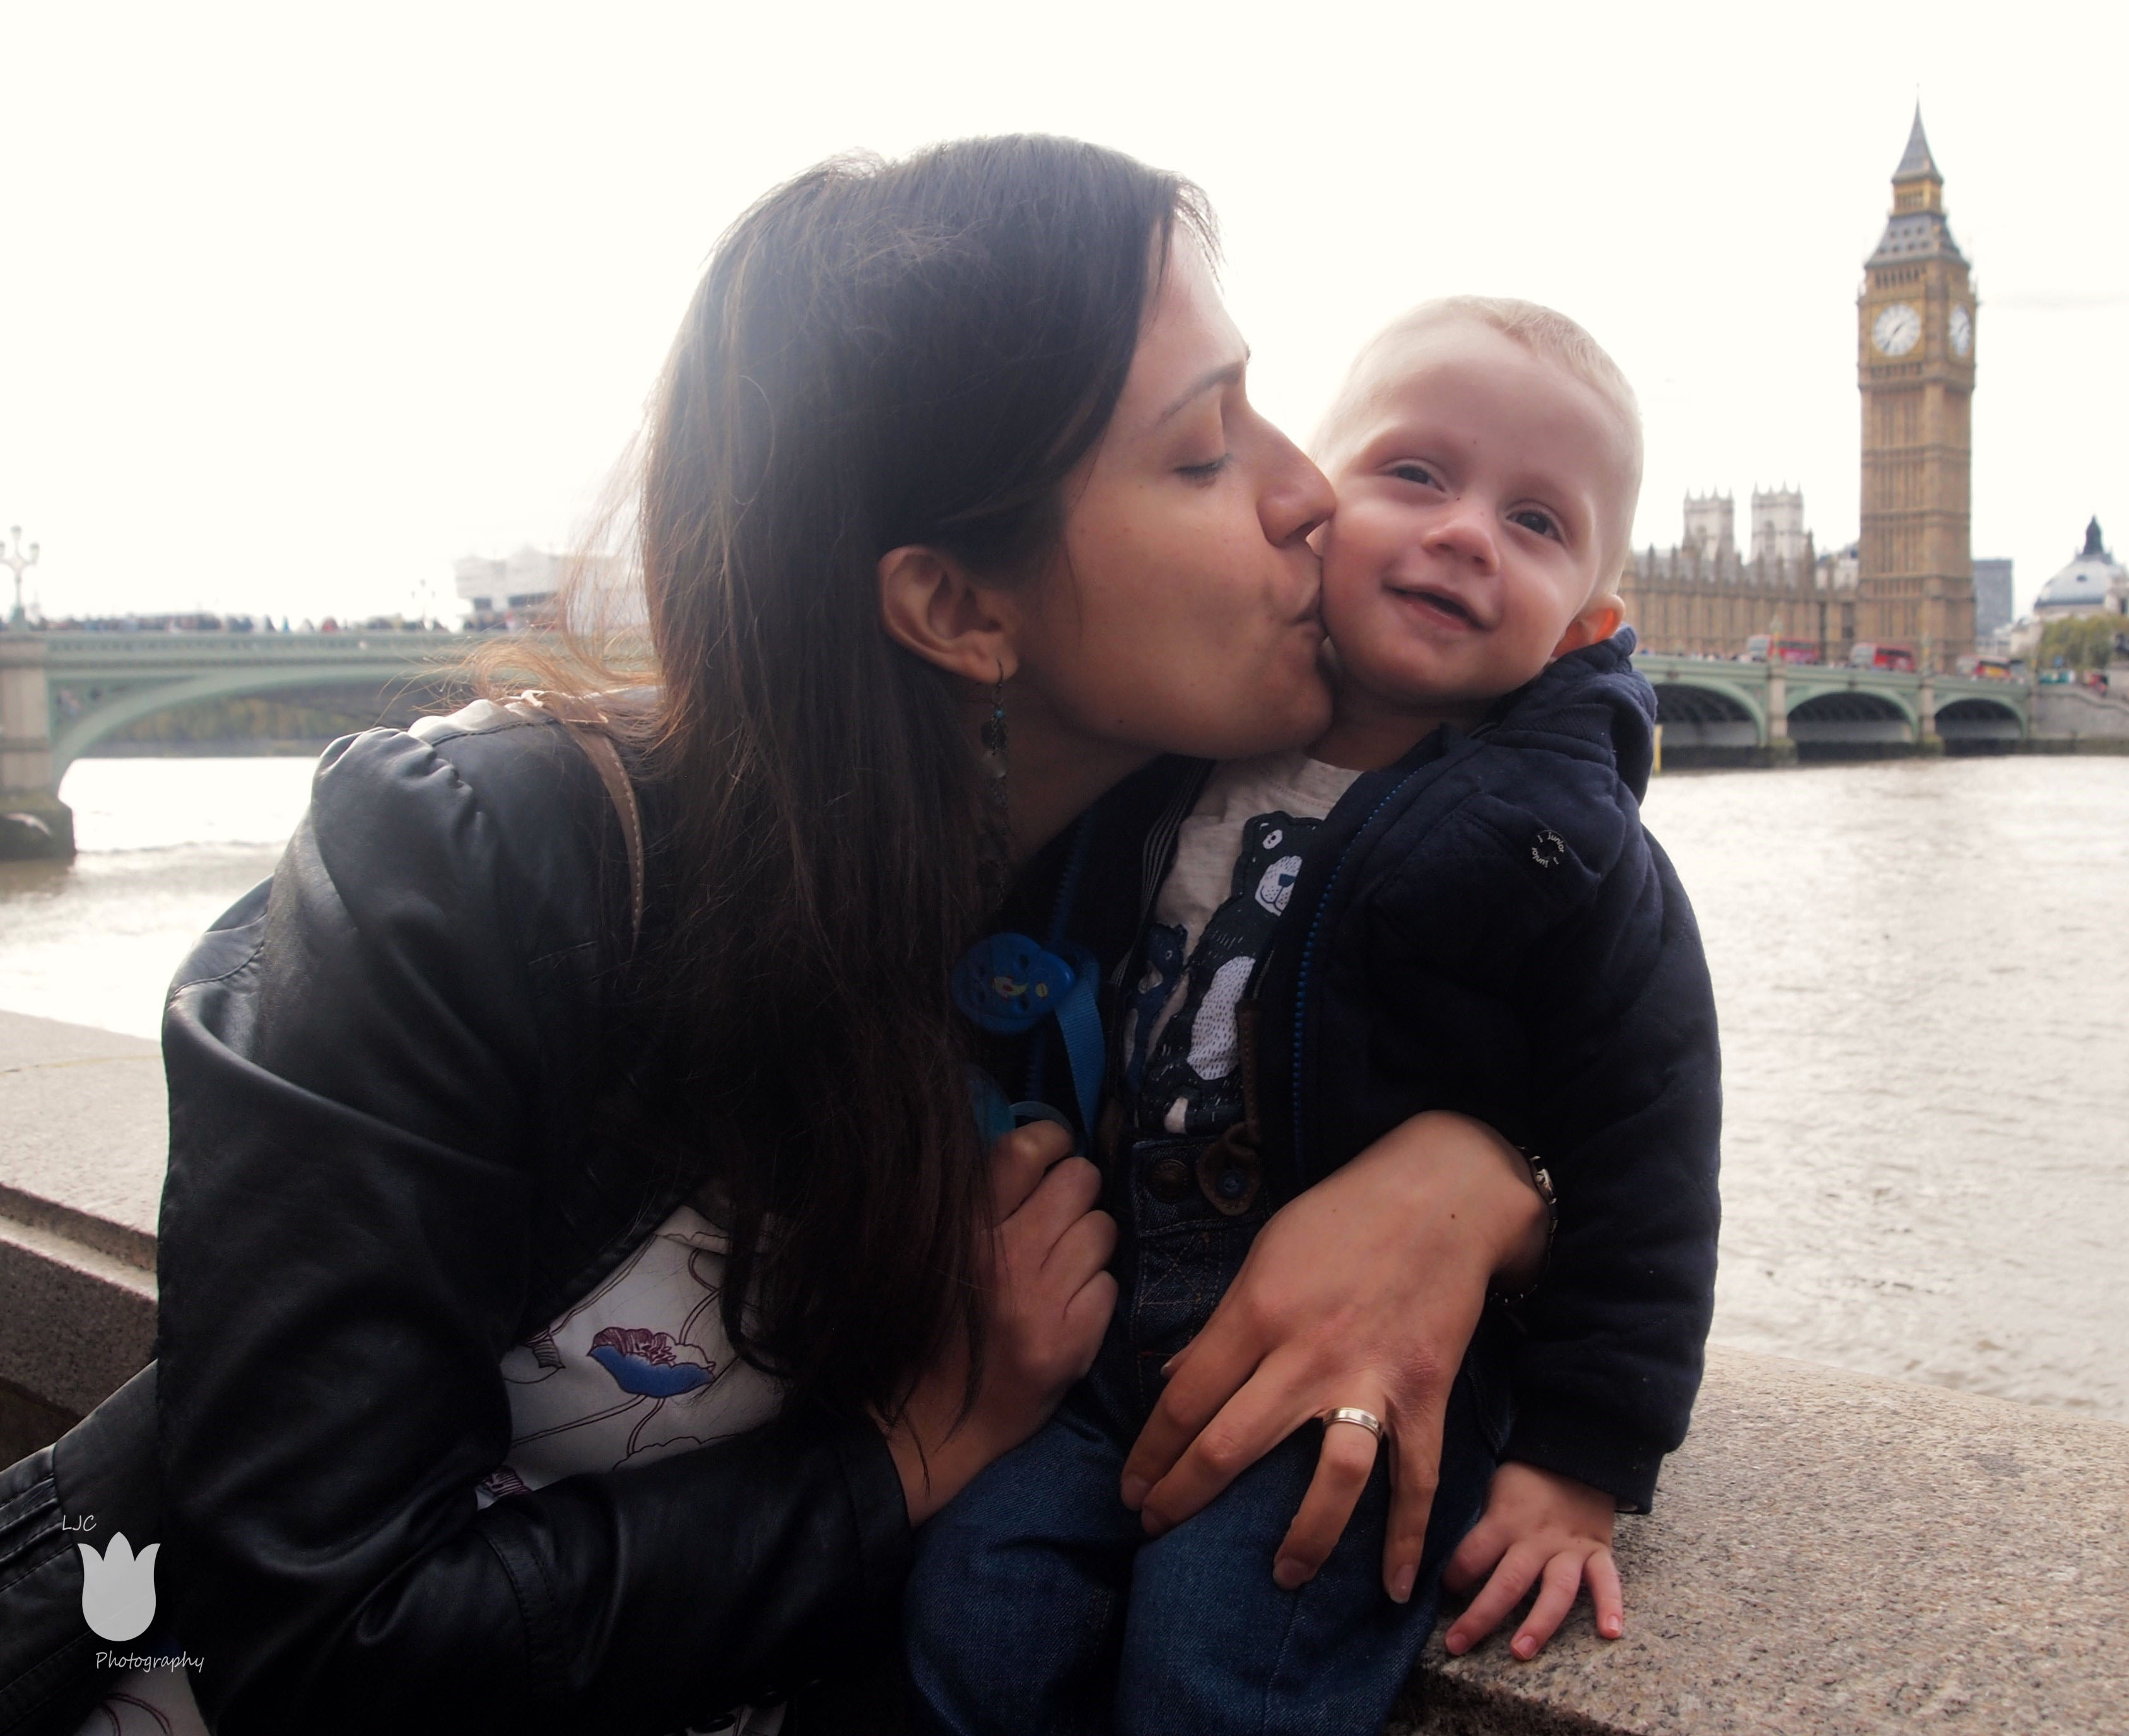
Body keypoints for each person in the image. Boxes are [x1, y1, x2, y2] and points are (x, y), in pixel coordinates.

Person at [95, 138, 1551, 1736]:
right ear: (957, 608)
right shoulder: (481, 861)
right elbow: (313, 1642)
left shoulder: (1172, 891)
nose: (1311, 493)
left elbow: (1586, 952)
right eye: (1205, 452)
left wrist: (1484, 1176)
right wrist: (902, 1455)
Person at [904, 298, 1722, 1736]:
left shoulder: (1569, 848)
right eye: (1415, 473)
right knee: (974, 1600)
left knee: (1225, 1651)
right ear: (1310, 511)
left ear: (1588, 624)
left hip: (1354, 1373)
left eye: (1535, 521)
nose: (1465, 532)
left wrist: (1583, 1460)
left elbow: (1651, 1151)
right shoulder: (1177, 747)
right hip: (1108, 1327)